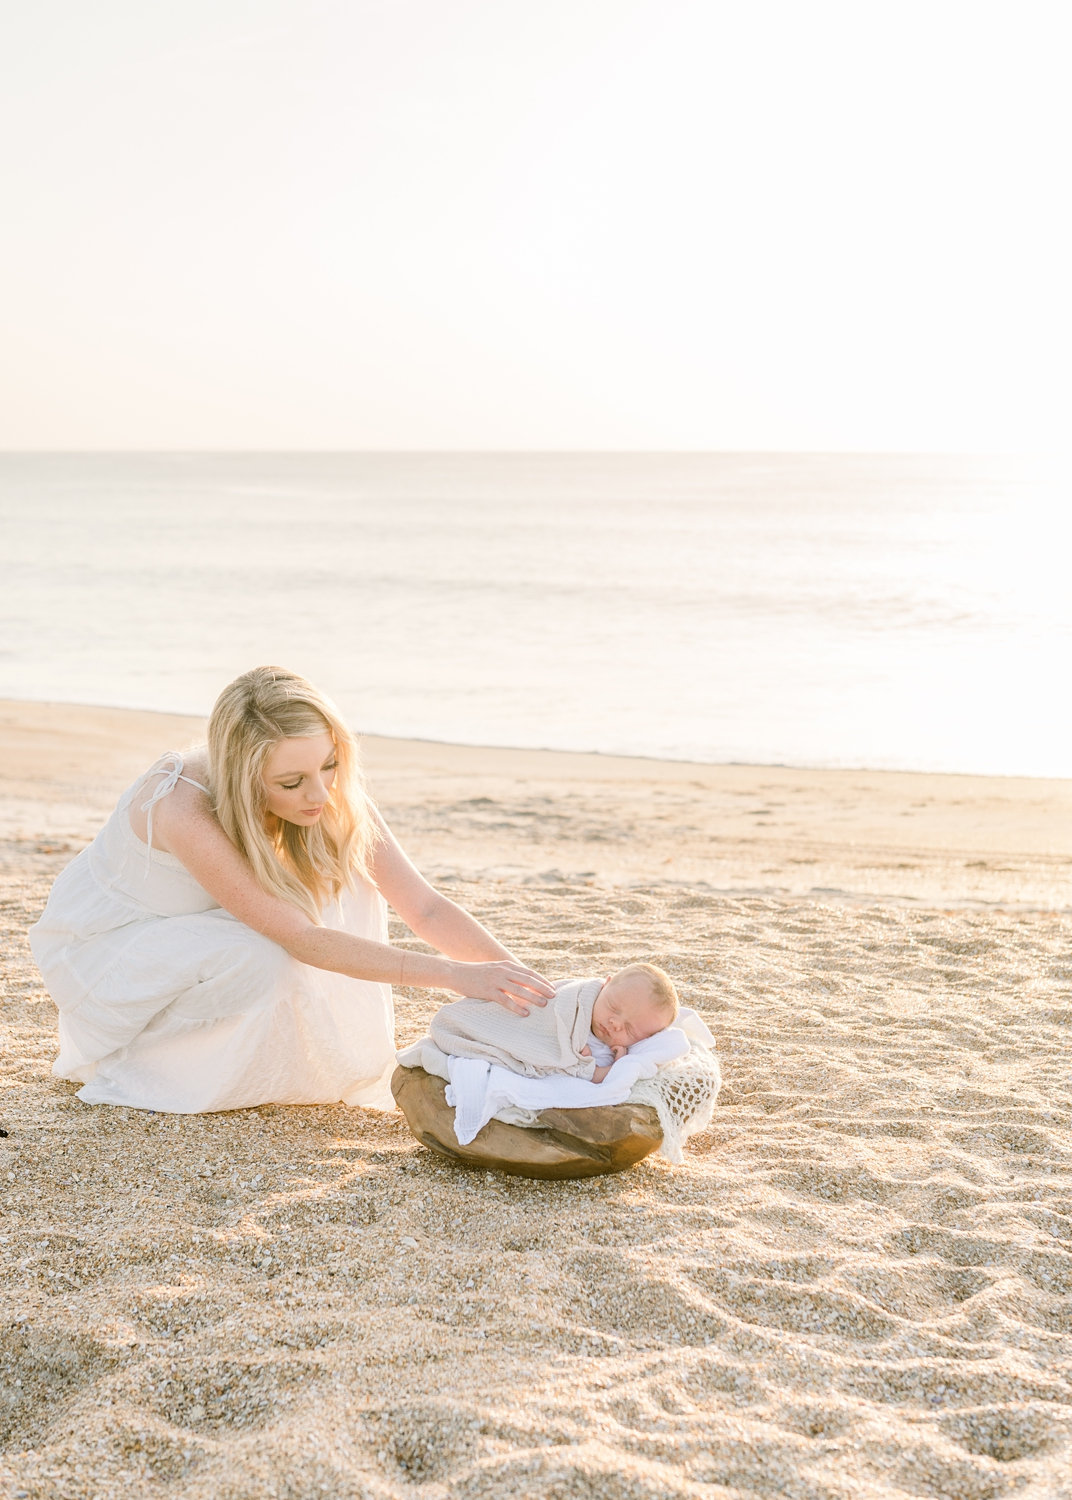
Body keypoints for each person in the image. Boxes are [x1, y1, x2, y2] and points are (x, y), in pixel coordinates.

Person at [29, 666, 553, 1114]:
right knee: (262, 955)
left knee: (347, 869)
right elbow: (300, 939)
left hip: (200, 933)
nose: (318, 792)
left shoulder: (321, 792)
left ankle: (310, 1056)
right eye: (291, 782)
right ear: (242, 774)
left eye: (329, 764)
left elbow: (425, 907)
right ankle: (148, 1061)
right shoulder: (180, 806)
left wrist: (527, 990)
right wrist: (453, 976)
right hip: (112, 948)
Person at [428, 962, 683, 1083]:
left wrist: (619, 1059)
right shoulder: (579, 999)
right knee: (484, 1019)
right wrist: (594, 1068)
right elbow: (549, 1024)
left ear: (645, 1039)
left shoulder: (618, 1044)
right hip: (523, 1017)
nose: (615, 1023)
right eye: (613, 1007)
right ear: (604, 984)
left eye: (629, 1030)